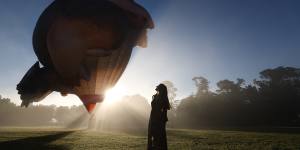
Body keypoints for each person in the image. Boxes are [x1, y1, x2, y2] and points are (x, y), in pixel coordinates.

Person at [148, 84, 171, 150]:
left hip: (159, 119)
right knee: (152, 134)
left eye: (159, 88)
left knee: (159, 137)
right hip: (152, 117)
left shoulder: (163, 98)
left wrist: (163, 121)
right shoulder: (155, 96)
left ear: (161, 90)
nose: (157, 89)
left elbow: (165, 111)